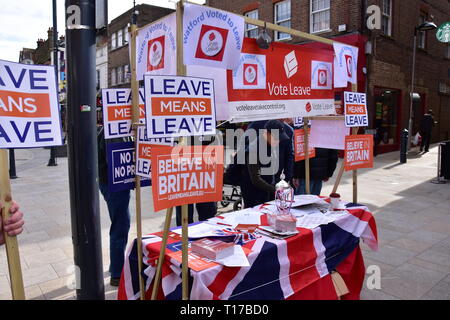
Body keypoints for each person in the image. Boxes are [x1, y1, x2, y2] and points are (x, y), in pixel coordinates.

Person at [97, 125, 131, 286]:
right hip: (114, 185)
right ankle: (117, 273)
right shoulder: (113, 131)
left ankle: (115, 266)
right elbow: (117, 163)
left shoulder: (115, 129)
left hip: (114, 184)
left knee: (121, 224)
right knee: (120, 226)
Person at [239, 120, 291, 208]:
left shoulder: (269, 145)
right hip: (253, 195)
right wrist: (275, 190)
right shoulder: (253, 149)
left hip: (266, 191)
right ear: (266, 133)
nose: (278, 141)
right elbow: (255, 179)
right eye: (276, 138)